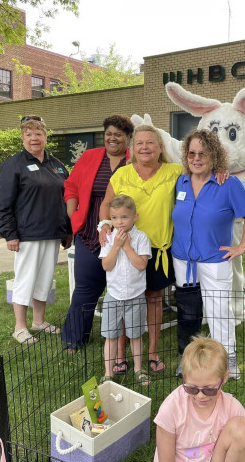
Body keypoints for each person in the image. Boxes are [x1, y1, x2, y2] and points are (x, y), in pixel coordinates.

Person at [172, 129, 245, 380]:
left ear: (214, 156)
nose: (196, 158)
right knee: (188, 312)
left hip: (214, 259)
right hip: (183, 260)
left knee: (218, 311)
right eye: (192, 153)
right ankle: (188, 359)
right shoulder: (182, 182)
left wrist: (242, 246)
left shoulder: (227, 183)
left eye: (203, 153)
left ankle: (227, 362)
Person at [100, 125, 182, 374]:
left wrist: (221, 171)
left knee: (154, 300)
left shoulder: (175, 171)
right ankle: (121, 356)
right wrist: (104, 224)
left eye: (150, 143)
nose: (145, 147)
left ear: (160, 147)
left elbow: (202, 174)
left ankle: (153, 353)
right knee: (125, 300)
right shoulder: (122, 174)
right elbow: (106, 203)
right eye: (139, 143)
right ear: (132, 149)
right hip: (124, 246)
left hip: (157, 249)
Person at [0, 115, 72, 344]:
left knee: (45, 279)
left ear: (46, 137)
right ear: (22, 138)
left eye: (38, 133)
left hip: (52, 233)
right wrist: (10, 233)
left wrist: (67, 230)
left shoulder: (56, 165)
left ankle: (39, 321)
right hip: (27, 235)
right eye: (28, 134)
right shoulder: (14, 164)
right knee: (25, 279)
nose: (34, 138)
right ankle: (20, 327)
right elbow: (3, 204)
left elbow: (66, 198)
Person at [61, 115, 132, 357]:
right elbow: (70, 185)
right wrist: (73, 215)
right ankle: (74, 339)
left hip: (122, 238)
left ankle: (125, 343)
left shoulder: (135, 160)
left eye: (119, 135)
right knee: (85, 288)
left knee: (124, 290)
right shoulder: (91, 156)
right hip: (90, 233)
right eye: (109, 133)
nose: (113, 138)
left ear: (128, 138)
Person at [154, 336, 245, 462]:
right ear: (185, 378)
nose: (200, 396)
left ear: (224, 378)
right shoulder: (172, 408)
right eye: (192, 388)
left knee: (242, 428)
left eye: (209, 389)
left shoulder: (231, 407)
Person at [99, 195, 152, 385]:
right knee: (111, 335)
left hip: (135, 296)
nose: (119, 222)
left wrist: (127, 246)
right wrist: (116, 246)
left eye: (124, 217)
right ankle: (108, 373)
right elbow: (106, 265)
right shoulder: (108, 238)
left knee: (135, 335)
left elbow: (141, 265)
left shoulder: (141, 238)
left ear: (134, 217)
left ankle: (139, 369)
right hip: (114, 295)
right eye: (114, 218)